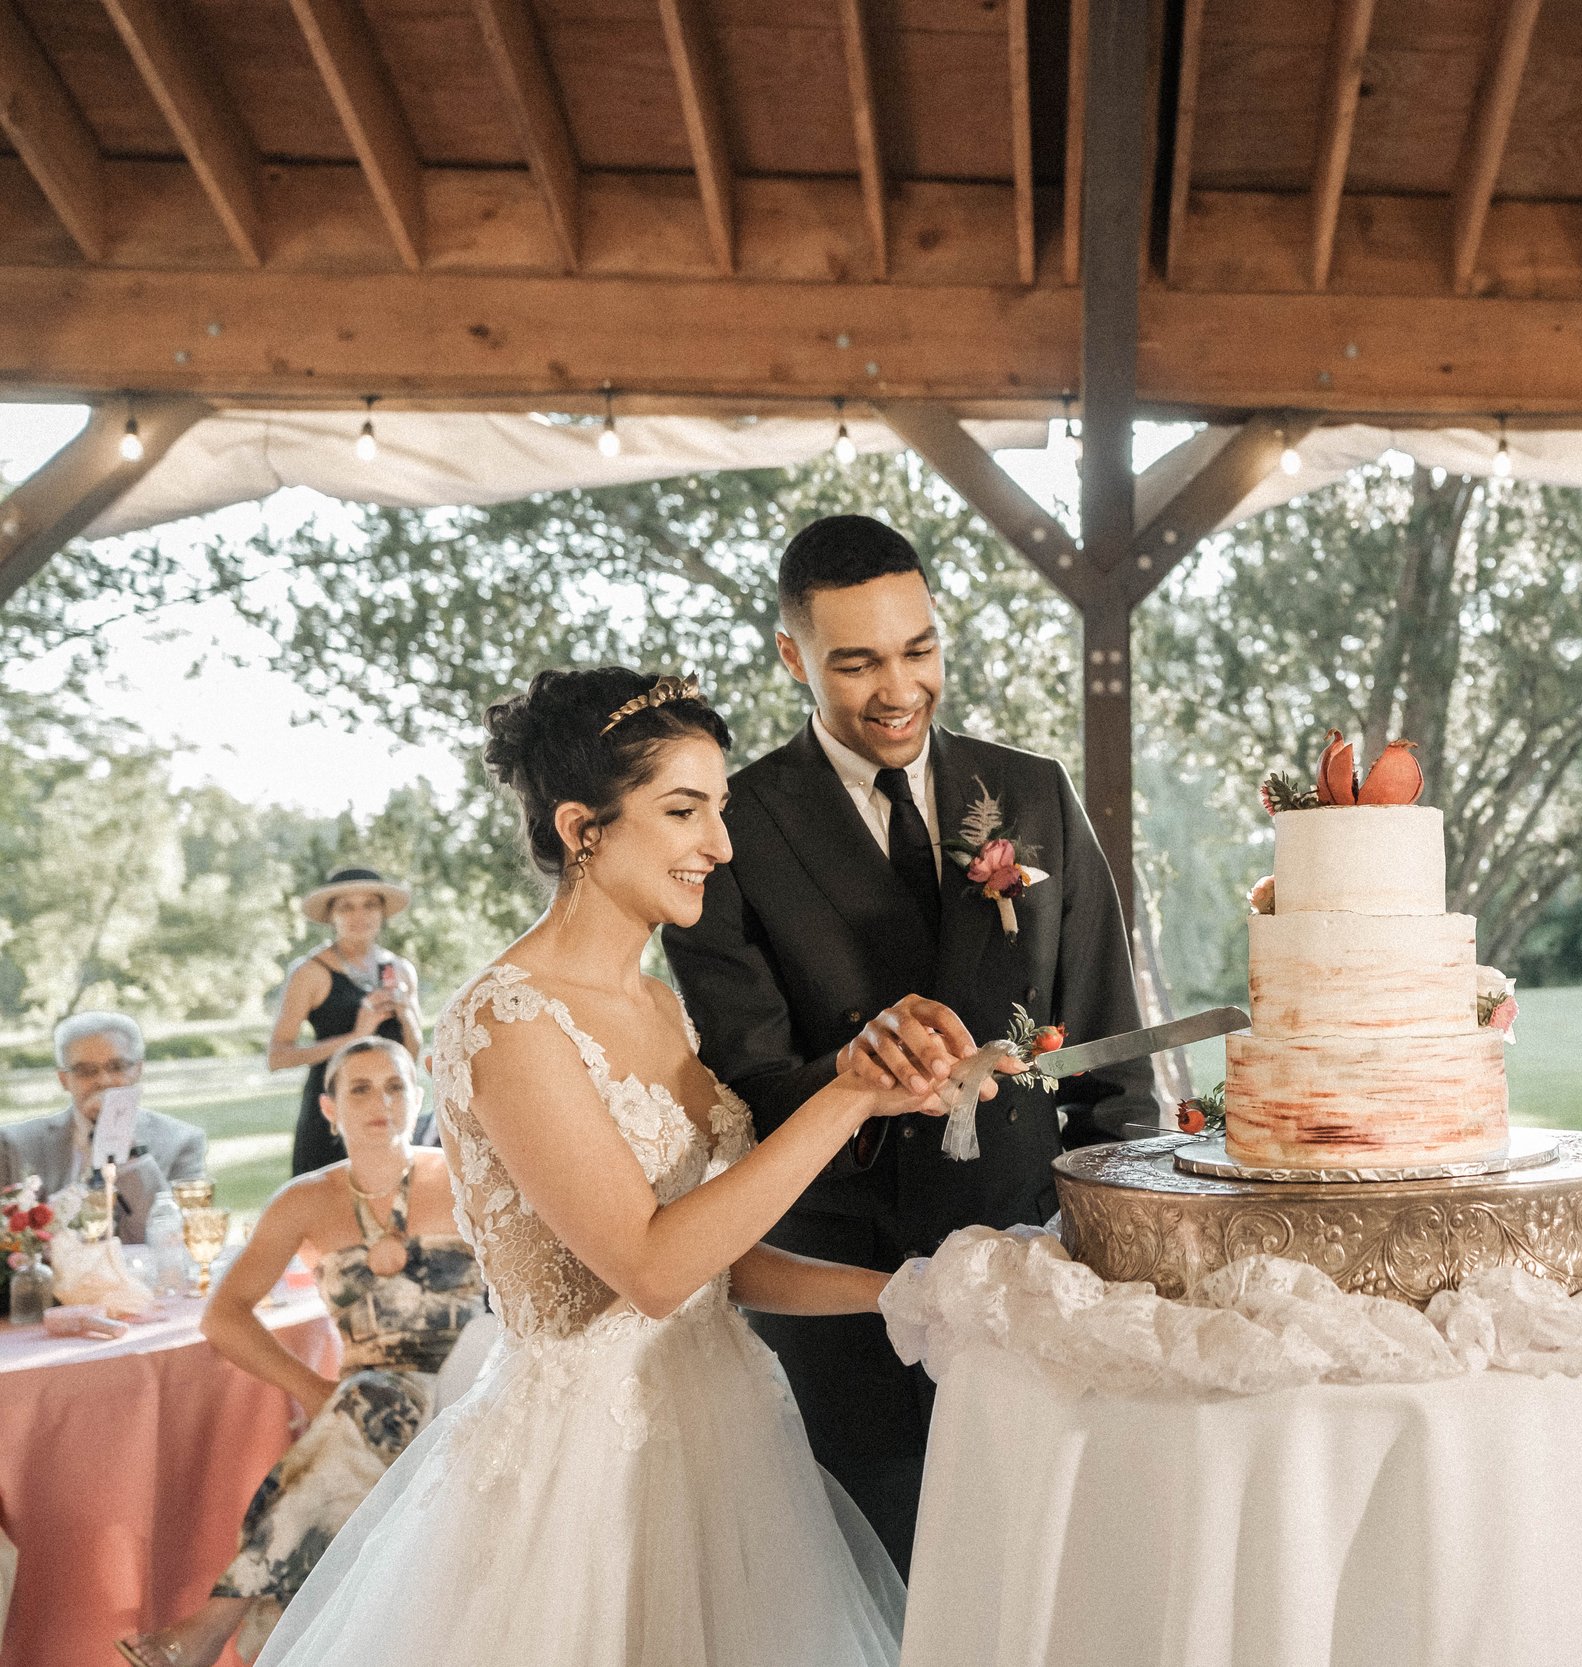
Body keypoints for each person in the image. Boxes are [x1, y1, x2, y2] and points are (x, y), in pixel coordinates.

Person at [257, 667, 994, 1667]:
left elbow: (714, 1259)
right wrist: (848, 1094)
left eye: (721, 808)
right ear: (581, 827)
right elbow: (647, 1269)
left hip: (724, 1438)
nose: (720, 845)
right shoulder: (506, 1017)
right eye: (684, 809)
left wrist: (906, 1291)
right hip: (588, 1481)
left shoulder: (654, 1005)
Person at [663, 513, 1154, 1573]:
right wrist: (861, 1076)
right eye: (857, 661)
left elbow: (1111, 1060)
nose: (898, 688)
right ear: (790, 655)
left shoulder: (1031, 794)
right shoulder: (727, 829)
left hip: (1037, 1275)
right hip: (847, 1296)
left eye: (918, 649)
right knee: (888, 1595)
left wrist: (1116, 1256)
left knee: (1054, 1585)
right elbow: (746, 1085)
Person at [115, 1037, 484, 1667]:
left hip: (469, 1372)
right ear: (329, 1109)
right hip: (373, 1398)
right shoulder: (305, 1200)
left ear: (418, 1097)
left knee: (360, 1418)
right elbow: (222, 1317)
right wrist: (312, 1390)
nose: (381, 1101)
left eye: (395, 1085)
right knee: (364, 1416)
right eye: (359, 1089)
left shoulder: (465, 1176)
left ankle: (216, 1622)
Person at [269, 867, 425, 1176]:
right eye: (346, 907)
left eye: (369, 905)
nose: (360, 915)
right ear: (331, 916)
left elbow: (412, 1055)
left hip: (390, 1110)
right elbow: (277, 1057)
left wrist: (406, 1014)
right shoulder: (311, 972)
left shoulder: (400, 970)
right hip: (332, 1116)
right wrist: (356, 1035)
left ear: (382, 912)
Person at [0, 1013, 207, 1242]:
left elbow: (178, 1238)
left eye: (117, 1067)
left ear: (137, 1070)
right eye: (86, 1071)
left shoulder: (182, 1141)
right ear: (64, 1079)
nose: (104, 1080)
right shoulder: (14, 1143)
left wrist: (128, 1148)